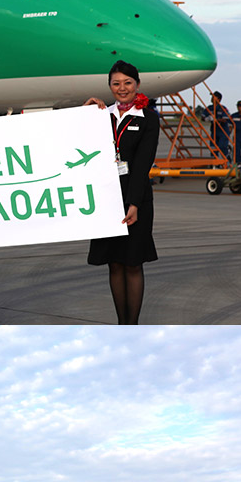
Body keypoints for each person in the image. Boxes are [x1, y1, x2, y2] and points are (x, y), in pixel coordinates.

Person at [84, 60, 159, 325]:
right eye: (116, 83)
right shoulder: (100, 115)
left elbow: (142, 165)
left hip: (134, 198)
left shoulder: (148, 118)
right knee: (113, 263)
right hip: (106, 197)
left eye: (128, 82)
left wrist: (134, 203)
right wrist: (83, 114)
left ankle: (132, 325)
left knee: (132, 263)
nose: (122, 88)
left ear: (137, 84)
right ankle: (121, 324)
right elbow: (76, 142)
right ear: (109, 86)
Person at [208, 91, 232, 158]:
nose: (212, 98)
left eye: (214, 97)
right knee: (213, 148)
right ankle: (215, 163)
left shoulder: (223, 108)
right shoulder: (209, 108)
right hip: (214, 131)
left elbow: (225, 119)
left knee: (222, 147)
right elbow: (203, 116)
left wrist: (215, 120)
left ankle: (227, 159)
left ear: (219, 99)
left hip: (223, 131)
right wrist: (207, 118)